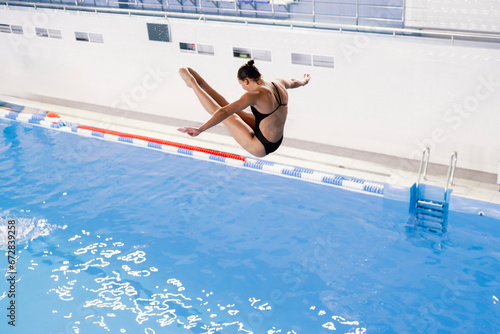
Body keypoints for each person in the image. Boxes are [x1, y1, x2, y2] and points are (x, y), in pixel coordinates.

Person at [178, 60, 310, 157]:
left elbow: (223, 112)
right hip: (275, 139)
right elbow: (293, 81)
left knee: (227, 114)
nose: (242, 87)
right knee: (230, 108)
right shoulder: (278, 83)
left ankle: (193, 84)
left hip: (260, 146)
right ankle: (201, 82)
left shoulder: (255, 94)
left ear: (246, 81)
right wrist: (303, 81)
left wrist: (200, 129)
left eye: (241, 84)